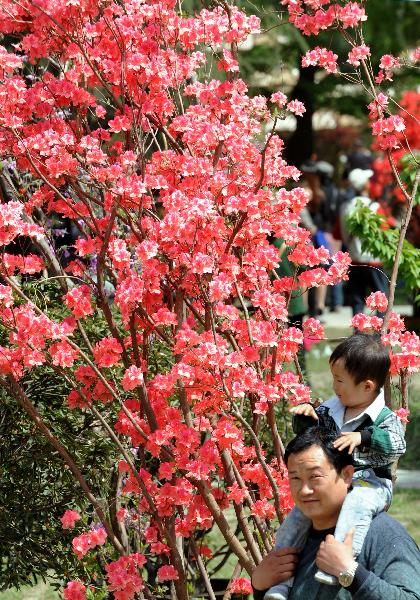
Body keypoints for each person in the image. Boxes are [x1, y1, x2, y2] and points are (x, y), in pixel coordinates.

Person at [262, 332, 406, 600]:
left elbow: (397, 445)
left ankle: (339, 563)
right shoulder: (331, 408)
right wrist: (306, 419)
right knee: (293, 521)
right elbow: (313, 443)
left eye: (340, 380)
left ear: (367, 386)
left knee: (356, 506)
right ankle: (281, 582)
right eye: (333, 378)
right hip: (335, 483)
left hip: (369, 483)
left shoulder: (384, 418)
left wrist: (363, 436)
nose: (334, 386)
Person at [252, 427, 420, 600]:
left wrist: (351, 574)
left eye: (315, 476)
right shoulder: (296, 539)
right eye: (295, 478)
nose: (304, 490)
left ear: (347, 475)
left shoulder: (384, 535)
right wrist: (259, 586)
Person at [339, 168, 388, 316]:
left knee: (357, 299)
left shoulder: (345, 207)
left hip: (354, 259)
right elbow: (384, 231)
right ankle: (381, 334)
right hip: (375, 261)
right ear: (365, 185)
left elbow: (337, 234)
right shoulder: (375, 207)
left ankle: (357, 335)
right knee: (380, 300)